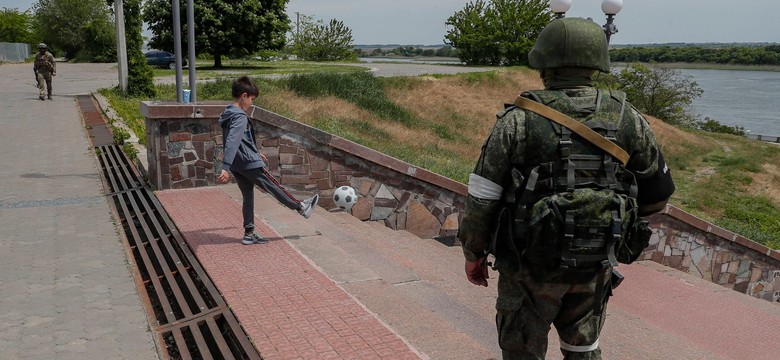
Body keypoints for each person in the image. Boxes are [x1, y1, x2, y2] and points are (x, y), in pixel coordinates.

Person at [459, 18, 675, 360]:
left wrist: (474, 254)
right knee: (584, 350)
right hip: (594, 266)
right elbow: (658, 194)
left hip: (527, 267)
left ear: (543, 61)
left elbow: (482, 198)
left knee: (522, 353)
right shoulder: (627, 117)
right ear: (596, 63)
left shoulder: (518, 120)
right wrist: (606, 224)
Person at [217, 76, 319, 245]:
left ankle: (249, 234)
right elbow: (233, 141)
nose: (251, 103)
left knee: (248, 197)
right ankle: (301, 207)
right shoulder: (240, 116)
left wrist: (255, 151)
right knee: (273, 185)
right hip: (246, 163)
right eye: (251, 99)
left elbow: (241, 139)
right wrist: (224, 167)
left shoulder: (228, 112)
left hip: (239, 164)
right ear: (243, 96)